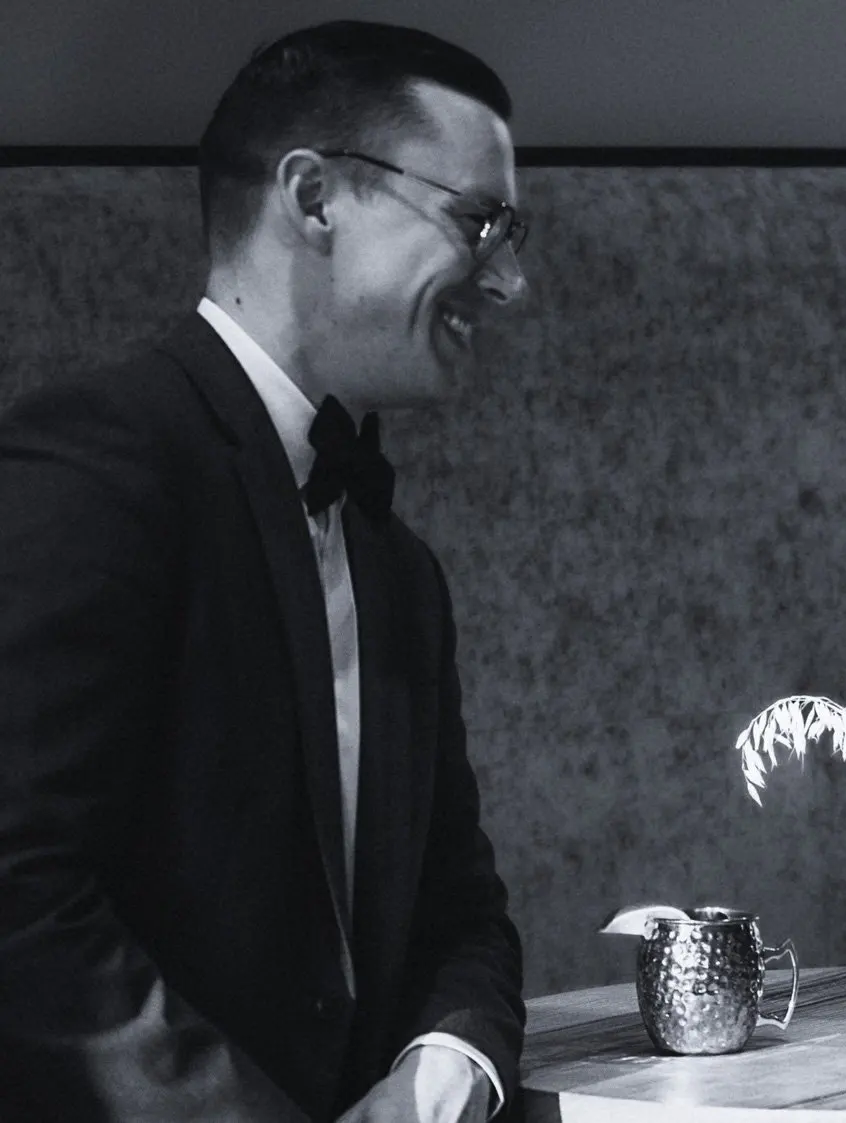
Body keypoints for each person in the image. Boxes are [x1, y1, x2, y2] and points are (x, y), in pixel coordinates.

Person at [0, 21, 529, 1122]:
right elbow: (19, 898)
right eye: (479, 221)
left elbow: (463, 913)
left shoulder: (398, 570)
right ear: (314, 198)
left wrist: (448, 1065)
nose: (509, 279)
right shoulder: (95, 465)